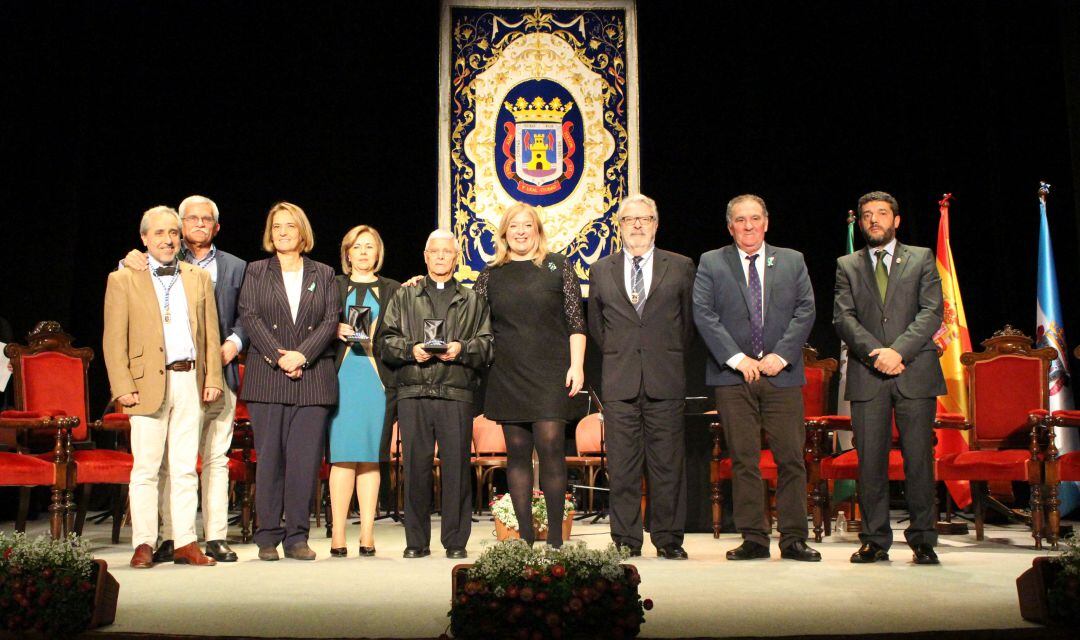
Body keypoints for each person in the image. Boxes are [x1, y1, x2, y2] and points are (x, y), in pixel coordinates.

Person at [693, 194, 819, 562]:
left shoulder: (792, 260)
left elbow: (805, 310)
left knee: (791, 459)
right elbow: (703, 313)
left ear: (766, 222)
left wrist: (780, 355)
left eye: (754, 219)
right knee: (744, 459)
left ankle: (794, 537)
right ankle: (754, 538)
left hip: (782, 374)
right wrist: (737, 358)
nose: (748, 226)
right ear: (729, 226)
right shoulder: (711, 262)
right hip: (733, 378)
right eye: (740, 220)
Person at [121, 194, 246, 563]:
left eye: (206, 220)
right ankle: (157, 538)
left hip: (208, 374)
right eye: (189, 220)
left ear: (216, 226)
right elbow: (116, 337)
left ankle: (207, 537)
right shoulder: (137, 268)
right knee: (153, 464)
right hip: (155, 380)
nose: (197, 226)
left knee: (208, 459)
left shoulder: (230, 269)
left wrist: (230, 348)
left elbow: (239, 318)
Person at [102, 205, 223, 568]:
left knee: (186, 466)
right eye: (159, 233)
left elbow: (210, 332)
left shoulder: (196, 276)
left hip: (189, 378)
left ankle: (185, 540)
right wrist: (122, 385)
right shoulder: (123, 278)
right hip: (145, 383)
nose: (168, 239)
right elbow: (113, 339)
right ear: (144, 239)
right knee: (146, 468)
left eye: (173, 233)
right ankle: (144, 542)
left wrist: (212, 378)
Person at [834, 190, 946, 565]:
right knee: (871, 462)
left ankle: (923, 539)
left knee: (918, 460)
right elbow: (843, 318)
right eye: (867, 215)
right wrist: (876, 354)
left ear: (896, 220)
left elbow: (932, 312)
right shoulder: (847, 264)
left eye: (881, 213)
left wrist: (899, 351)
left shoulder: (922, 258)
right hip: (869, 374)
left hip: (914, 371)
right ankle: (874, 540)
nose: (873, 220)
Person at [587, 194, 696, 559]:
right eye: (629, 219)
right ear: (619, 226)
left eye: (644, 219)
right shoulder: (601, 269)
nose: (636, 225)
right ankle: (625, 540)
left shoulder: (680, 266)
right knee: (623, 467)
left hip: (665, 380)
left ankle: (668, 540)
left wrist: (657, 355)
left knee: (667, 466)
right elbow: (597, 329)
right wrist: (626, 356)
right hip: (620, 382)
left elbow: (687, 325)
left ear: (656, 223)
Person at [474, 202, 586, 547]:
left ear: (537, 230)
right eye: (514, 226)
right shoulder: (490, 274)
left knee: (551, 447)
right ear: (504, 232)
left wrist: (577, 365)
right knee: (518, 454)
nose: (521, 231)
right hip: (508, 373)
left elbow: (576, 322)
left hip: (552, 372)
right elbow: (470, 320)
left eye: (527, 225)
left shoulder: (558, 266)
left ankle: (555, 538)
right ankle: (524, 536)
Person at [381, 229, 493, 558]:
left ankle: (456, 542)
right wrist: (410, 349)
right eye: (435, 251)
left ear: (456, 258)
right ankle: (416, 542)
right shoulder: (405, 296)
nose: (441, 256)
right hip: (414, 390)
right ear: (426, 256)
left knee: (457, 469)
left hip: (455, 392)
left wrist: (462, 348)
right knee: (415, 469)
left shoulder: (473, 299)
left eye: (447, 252)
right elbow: (385, 341)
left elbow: (488, 345)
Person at [238, 201, 340, 561]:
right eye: (276, 226)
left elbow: (330, 320)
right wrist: (280, 356)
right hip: (268, 376)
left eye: (289, 226)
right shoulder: (255, 271)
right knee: (270, 460)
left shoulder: (324, 273)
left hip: (312, 379)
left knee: (304, 461)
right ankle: (267, 536)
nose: (282, 232)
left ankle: (297, 537)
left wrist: (302, 355)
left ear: (302, 233)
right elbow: (249, 315)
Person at [327, 225, 400, 557]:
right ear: (347, 252)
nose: (363, 252)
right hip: (342, 377)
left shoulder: (394, 289)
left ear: (378, 252)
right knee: (342, 457)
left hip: (376, 379)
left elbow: (401, 329)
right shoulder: (333, 285)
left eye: (369, 246)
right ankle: (338, 535)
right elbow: (314, 322)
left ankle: (368, 534)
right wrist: (333, 329)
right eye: (357, 246)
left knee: (371, 458)